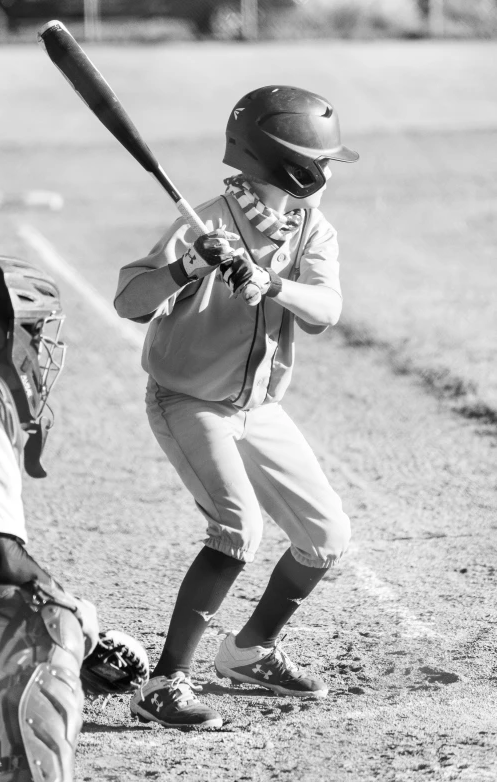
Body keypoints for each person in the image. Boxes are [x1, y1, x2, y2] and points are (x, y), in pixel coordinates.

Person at [115, 85, 359, 730]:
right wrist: (189, 267)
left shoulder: (311, 228)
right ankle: (163, 684)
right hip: (188, 400)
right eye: (323, 161)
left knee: (326, 536)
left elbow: (325, 313)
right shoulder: (206, 223)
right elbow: (129, 300)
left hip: (255, 407)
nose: (330, 172)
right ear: (290, 165)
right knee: (236, 529)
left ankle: (249, 651)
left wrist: (270, 281)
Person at [0, 250, 100, 782]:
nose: (41, 345)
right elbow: (4, 559)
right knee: (47, 625)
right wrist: (66, 601)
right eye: (34, 330)